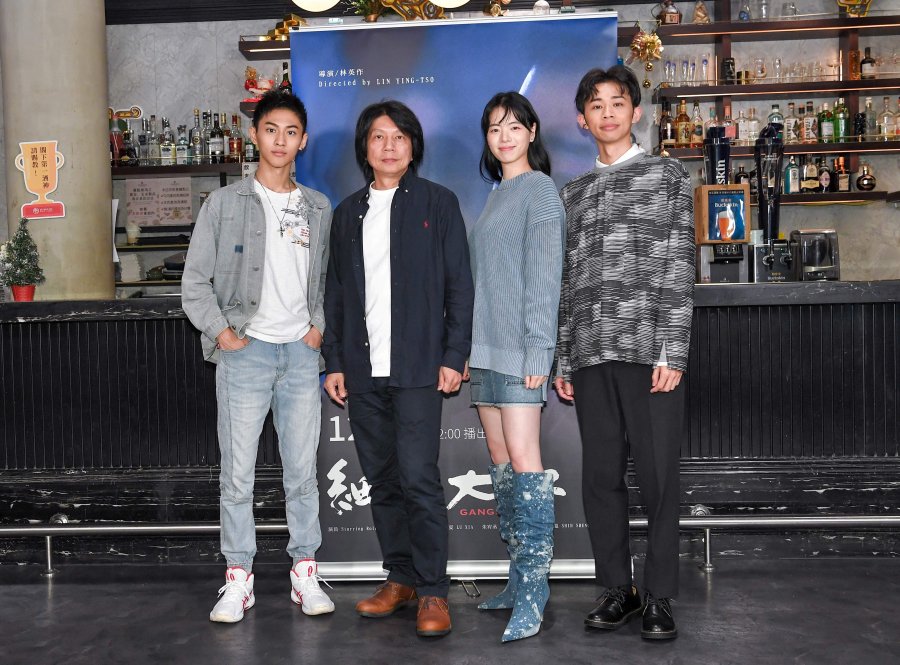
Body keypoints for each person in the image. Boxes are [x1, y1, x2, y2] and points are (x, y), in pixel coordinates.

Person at [322, 100, 474, 638]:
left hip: (417, 367)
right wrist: (334, 361)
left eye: (399, 137)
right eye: (378, 137)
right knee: (383, 480)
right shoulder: (347, 214)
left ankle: (433, 589)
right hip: (363, 370)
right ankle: (401, 578)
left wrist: (454, 355)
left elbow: (459, 285)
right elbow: (336, 295)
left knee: (418, 479)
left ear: (413, 147)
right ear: (364, 148)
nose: (389, 147)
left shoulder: (438, 203)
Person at [182, 89, 334, 623]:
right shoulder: (224, 205)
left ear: (303, 141)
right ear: (254, 135)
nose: (280, 141)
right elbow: (194, 283)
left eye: (291, 132)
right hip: (244, 353)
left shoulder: (318, 207)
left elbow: (331, 282)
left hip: (300, 355)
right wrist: (223, 334)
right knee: (238, 475)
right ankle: (238, 578)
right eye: (271, 130)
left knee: (302, 473)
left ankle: (305, 573)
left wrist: (318, 329)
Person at [553, 66, 694, 641]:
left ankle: (659, 595)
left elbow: (679, 262)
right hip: (591, 354)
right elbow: (568, 282)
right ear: (582, 119)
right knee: (601, 479)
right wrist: (565, 357)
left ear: (636, 112)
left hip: (649, 352)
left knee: (658, 479)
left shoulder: (667, 174)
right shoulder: (573, 193)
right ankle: (618, 588)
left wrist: (672, 350)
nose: (607, 112)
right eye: (596, 104)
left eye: (617, 102)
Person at [466, 91, 565, 642]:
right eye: (493, 128)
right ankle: (516, 577)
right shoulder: (496, 194)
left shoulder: (540, 190)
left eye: (513, 126)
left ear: (531, 131)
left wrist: (538, 350)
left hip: (521, 350)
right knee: (502, 463)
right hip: (484, 350)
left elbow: (545, 277)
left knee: (526, 464)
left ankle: (534, 592)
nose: (503, 137)